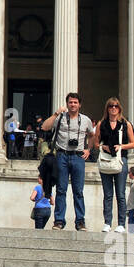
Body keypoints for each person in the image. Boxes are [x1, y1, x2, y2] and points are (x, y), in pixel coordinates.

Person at [40, 93, 93, 230]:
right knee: (61, 189)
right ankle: (59, 220)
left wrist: (89, 149)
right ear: (67, 104)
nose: (73, 105)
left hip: (78, 156)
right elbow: (45, 127)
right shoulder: (61, 118)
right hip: (62, 155)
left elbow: (92, 135)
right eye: (70, 102)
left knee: (78, 191)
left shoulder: (85, 120)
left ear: (79, 104)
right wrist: (56, 113)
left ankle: (80, 221)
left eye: (75, 102)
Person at [96, 96, 134, 234]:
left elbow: (133, 143)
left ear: (119, 108)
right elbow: (96, 142)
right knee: (107, 194)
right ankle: (107, 222)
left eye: (116, 106)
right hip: (106, 160)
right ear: (107, 108)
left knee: (120, 193)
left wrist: (121, 146)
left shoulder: (126, 124)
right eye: (111, 106)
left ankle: (121, 223)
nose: (113, 108)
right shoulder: (102, 124)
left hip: (120, 160)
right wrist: (103, 147)